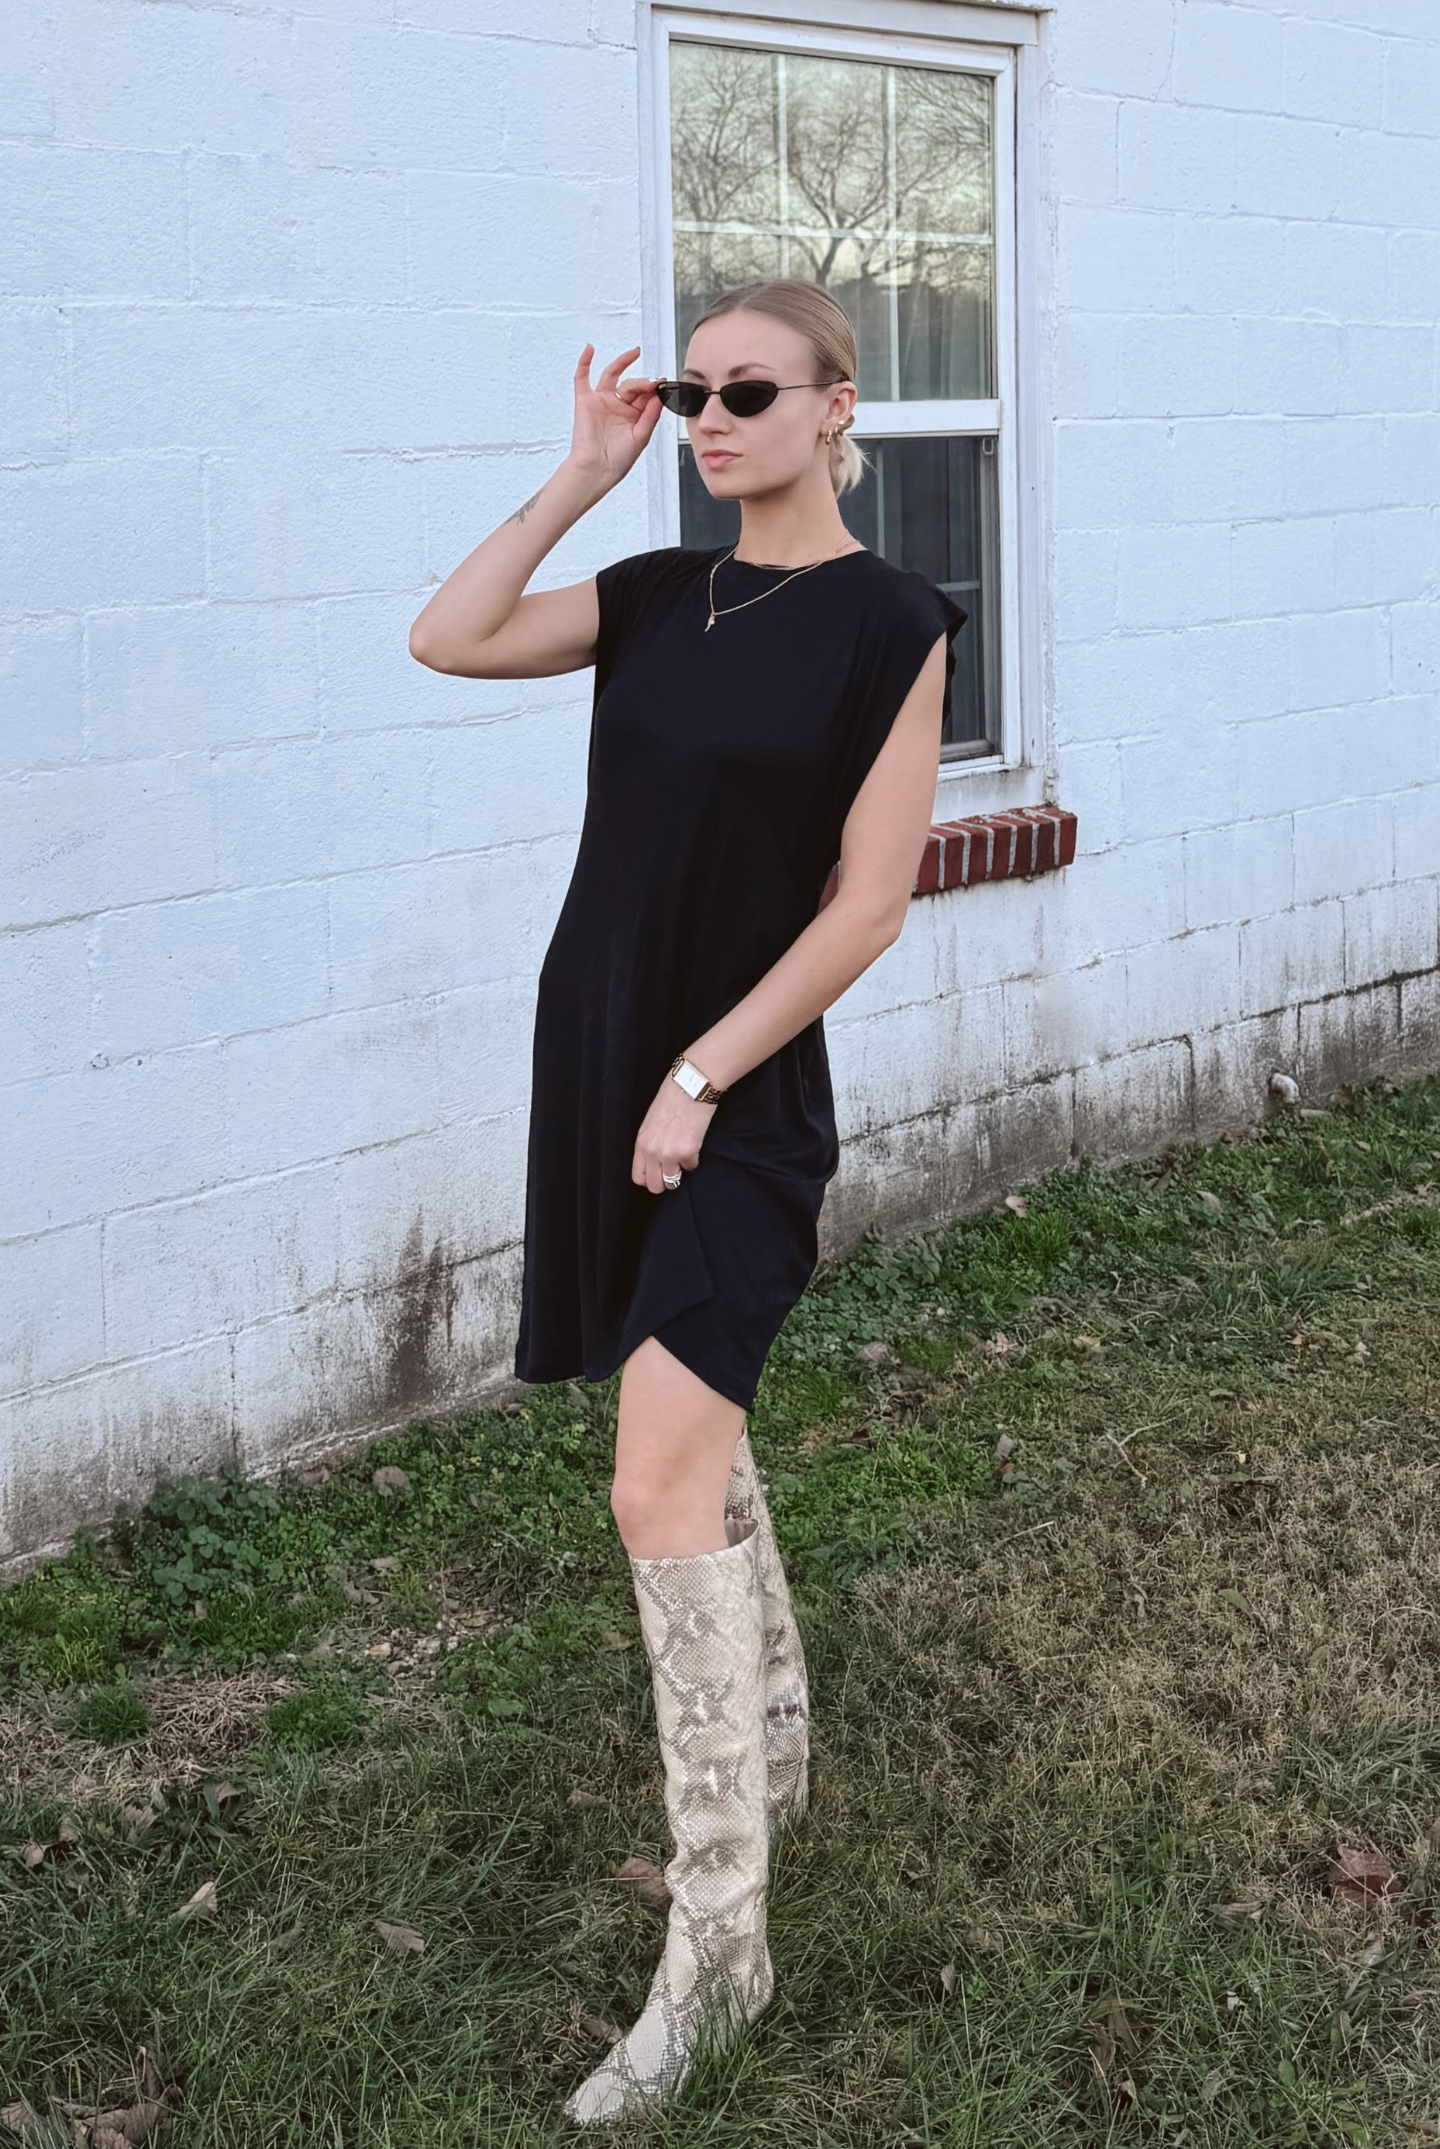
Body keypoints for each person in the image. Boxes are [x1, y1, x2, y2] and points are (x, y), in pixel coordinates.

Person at [409, 278, 966, 2127]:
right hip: (602, 1060)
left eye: (748, 392)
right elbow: (446, 634)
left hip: (733, 1089)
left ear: (835, 407)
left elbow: (868, 903)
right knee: (684, 1416)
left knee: (657, 1468)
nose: (712, 419)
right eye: (692, 391)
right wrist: (582, 473)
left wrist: (705, 1074)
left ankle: (721, 1945)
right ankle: (777, 1749)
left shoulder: (891, 621)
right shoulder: (653, 596)